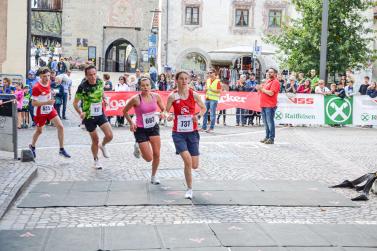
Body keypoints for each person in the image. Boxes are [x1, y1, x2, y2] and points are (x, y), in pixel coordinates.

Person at [165, 71, 206, 199]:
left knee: (194, 165)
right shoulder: (173, 96)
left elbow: (204, 108)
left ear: (188, 80)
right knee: (187, 160)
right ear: (176, 80)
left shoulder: (193, 94)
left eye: (186, 79)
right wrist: (169, 116)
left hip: (192, 133)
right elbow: (165, 112)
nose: (184, 81)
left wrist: (198, 116)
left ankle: (188, 178)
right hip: (178, 133)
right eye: (181, 79)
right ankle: (189, 189)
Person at [123, 77, 166, 184]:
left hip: (153, 127)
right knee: (148, 158)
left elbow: (164, 109)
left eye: (147, 85)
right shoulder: (136, 99)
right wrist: (131, 123)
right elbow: (125, 111)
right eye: (143, 85)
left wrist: (163, 114)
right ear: (139, 87)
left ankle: (154, 176)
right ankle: (138, 146)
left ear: (151, 86)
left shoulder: (156, 96)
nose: (145, 87)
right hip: (140, 129)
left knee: (157, 154)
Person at [73, 65, 113, 169]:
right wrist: (80, 113)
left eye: (94, 74)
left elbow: (102, 92)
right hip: (89, 116)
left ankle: (103, 145)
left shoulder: (100, 82)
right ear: (86, 76)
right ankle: (96, 160)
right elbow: (75, 103)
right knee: (95, 140)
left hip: (99, 113)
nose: (93, 77)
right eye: (90, 75)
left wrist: (105, 99)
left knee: (109, 136)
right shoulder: (82, 87)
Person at [28, 68, 71, 158]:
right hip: (40, 112)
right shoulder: (36, 87)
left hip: (50, 109)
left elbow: (48, 91)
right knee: (39, 131)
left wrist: (51, 95)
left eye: (48, 75)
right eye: (44, 76)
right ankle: (32, 146)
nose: (47, 78)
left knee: (60, 126)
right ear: (40, 76)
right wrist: (46, 102)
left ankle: (61, 149)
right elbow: (33, 103)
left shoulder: (48, 82)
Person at [256, 68, 280, 144]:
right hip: (263, 105)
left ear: (275, 74)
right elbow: (262, 92)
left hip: (270, 105)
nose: (269, 73)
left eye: (271, 72)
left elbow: (271, 93)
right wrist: (259, 89)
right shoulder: (267, 81)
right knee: (266, 123)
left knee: (270, 122)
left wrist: (262, 89)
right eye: (268, 72)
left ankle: (271, 138)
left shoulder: (275, 82)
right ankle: (267, 137)